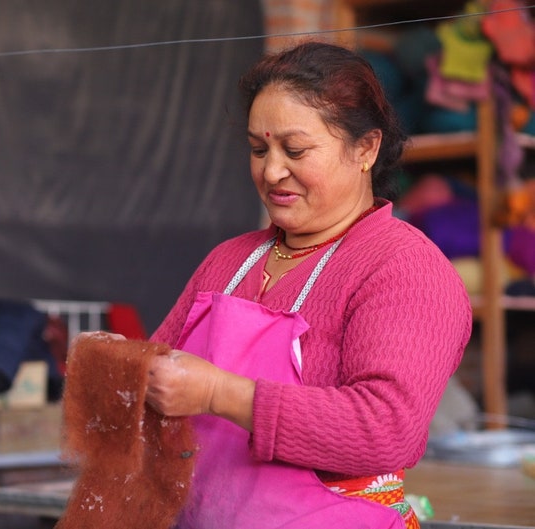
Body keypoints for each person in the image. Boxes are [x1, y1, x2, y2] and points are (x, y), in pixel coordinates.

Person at [141, 40, 473, 529]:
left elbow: (386, 429)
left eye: (294, 150)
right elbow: (155, 370)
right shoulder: (229, 260)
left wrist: (219, 395)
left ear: (365, 148)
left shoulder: (403, 268)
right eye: (259, 149)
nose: (272, 171)